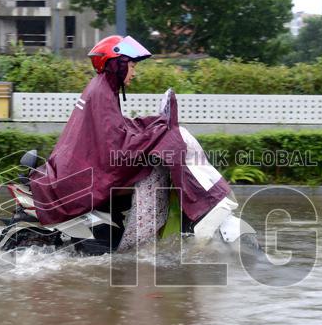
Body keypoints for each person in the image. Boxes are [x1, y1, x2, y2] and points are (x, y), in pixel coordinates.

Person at [28, 34, 246, 253]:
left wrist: (152, 126)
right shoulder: (102, 92)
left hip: (75, 172)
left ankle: (138, 244)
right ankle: (141, 246)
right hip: (82, 177)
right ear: (118, 64)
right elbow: (116, 148)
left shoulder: (102, 88)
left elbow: (118, 130)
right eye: (131, 65)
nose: (134, 71)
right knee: (151, 171)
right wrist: (156, 135)